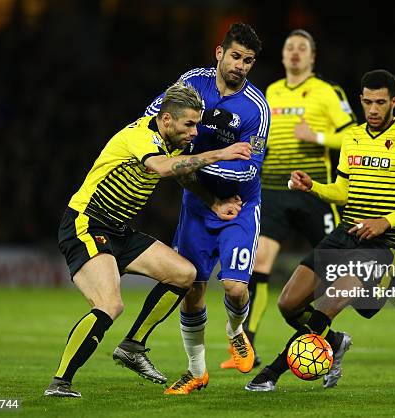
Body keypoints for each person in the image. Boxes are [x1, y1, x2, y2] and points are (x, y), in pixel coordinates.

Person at [44, 82, 252, 398]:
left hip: (118, 231)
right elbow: (163, 168)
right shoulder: (139, 137)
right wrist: (220, 154)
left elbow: (183, 174)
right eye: (189, 124)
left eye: (197, 124)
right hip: (86, 223)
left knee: (185, 274)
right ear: (166, 119)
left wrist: (213, 202)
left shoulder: (173, 142)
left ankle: (133, 346)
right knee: (110, 305)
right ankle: (60, 383)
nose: (195, 132)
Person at [245, 69, 395, 391]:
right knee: (288, 304)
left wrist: (385, 222)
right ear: (361, 101)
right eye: (367, 102)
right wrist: (314, 188)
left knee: (326, 305)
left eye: (380, 102)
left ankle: (271, 373)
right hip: (344, 233)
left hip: (382, 242)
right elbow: (344, 190)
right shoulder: (353, 136)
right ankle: (334, 343)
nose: (373, 109)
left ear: (393, 102)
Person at [113, 22, 270, 395]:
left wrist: (190, 159)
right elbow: (154, 118)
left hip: (240, 204)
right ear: (219, 52)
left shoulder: (256, 108)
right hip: (199, 202)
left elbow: (249, 166)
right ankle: (196, 371)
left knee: (234, 287)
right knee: (193, 287)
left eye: (248, 61)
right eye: (235, 56)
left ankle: (236, 332)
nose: (241, 66)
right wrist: (201, 163)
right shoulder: (192, 82)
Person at [220, 29, 358, 370]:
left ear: (312, 57)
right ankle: (247, 347)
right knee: (260, 263)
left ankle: (329, 336)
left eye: (302, 48)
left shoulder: (328, 92)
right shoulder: (271, 92)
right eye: (289, 48)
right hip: (274, 188)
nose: (295, 53)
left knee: (332, 269)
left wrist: (318, 136)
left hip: (315, 190)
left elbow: (354, 136)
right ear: (282, 57)